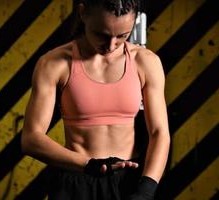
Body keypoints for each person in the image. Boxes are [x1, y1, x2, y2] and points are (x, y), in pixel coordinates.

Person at [21, 0, 170, 199]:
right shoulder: (54, 63)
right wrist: (89, 165)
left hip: (128, 181)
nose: (111, 45)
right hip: (77, 179)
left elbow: (159, 132)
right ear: (83, 14)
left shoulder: (145, 61)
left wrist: (146, 190)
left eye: (122, 36)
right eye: (102, 34)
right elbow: (31, 139)